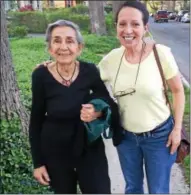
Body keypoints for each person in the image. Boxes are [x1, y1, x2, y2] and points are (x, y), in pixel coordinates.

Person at [88, 1, 184, 194]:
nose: (128, 30)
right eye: (122, 24)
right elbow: (84, 80)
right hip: (126, 138)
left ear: (145, 28)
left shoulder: (161, 54)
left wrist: (177, 129)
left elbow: (178, 91)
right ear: (116, 27)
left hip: (159, 137)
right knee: (132, 189)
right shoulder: (110, 60)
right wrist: (58, 65)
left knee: (158, 190)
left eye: (135, 24)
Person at [29, 19, 123, 194]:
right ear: (49, 48)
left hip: (89, 147)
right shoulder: (40, 75)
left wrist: (97, 112)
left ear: (79, 47)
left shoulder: (89, 71)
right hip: (55, 150)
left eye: (70, 41)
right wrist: (38, 163)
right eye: (57, 41)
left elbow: (108, 103)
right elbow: (36, 120)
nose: (63, 47)